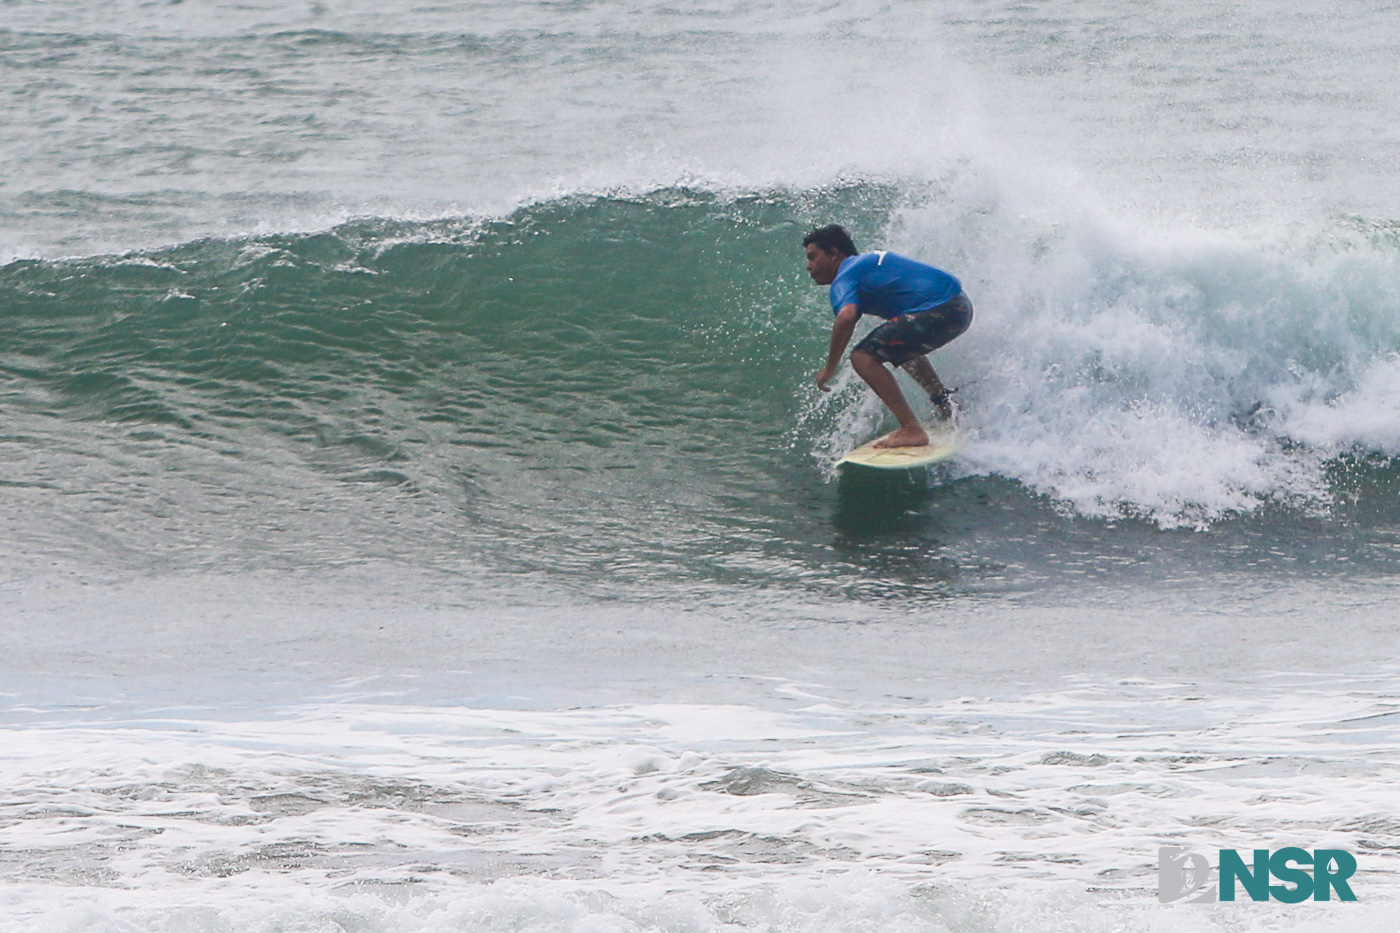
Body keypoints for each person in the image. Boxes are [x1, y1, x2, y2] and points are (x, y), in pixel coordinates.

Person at [805, 224, 972, 448]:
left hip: (941, 309)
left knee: (863, 357)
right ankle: (946, 406)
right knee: (900, 347)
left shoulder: (845, 274)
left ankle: (912, 429)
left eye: (813, 257)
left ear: (834, 254)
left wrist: (829, 368)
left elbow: (846, 317)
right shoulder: (866, 265)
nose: (809, 266)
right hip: (959, 306)